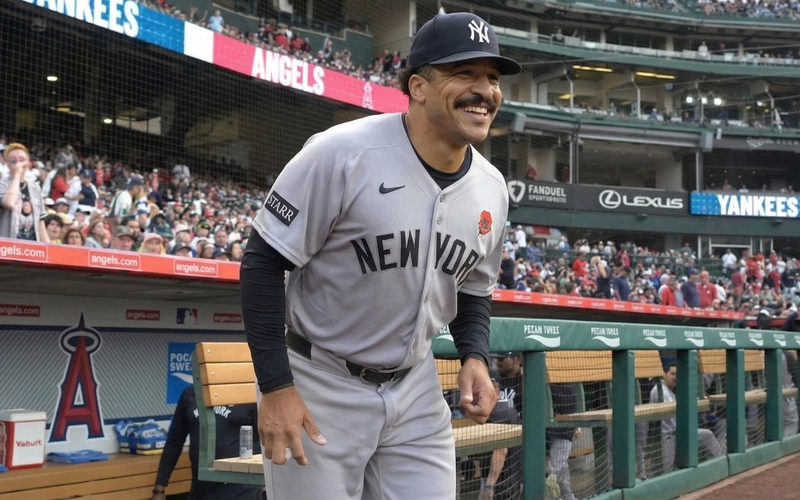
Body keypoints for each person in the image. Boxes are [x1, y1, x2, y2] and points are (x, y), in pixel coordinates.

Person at [240, 12, 521, 500]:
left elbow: (473, 288)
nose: (485, 90)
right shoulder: (341, 153)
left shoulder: (493, 188)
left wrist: (474, 355)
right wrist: (277, 388)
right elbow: (263, 264)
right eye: (465, 74)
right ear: (418, 86)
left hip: (416, 386)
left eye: (492, 78)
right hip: (320, 380)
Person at [151, 386, 262, 500]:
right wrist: (159, 488)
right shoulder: (191, 393)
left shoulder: (248, 393)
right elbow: (174, 442)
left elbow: (266, 439)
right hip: (201, 490)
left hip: (242, 491)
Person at [650, 363, 723, 474]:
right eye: (672, 374)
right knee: (667, 468)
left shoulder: (672, 390)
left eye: (677, 375)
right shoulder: (659, 390)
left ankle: (721, 463)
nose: (675, 377)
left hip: (683, 433)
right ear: (664, 374)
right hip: (669, 434)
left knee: (707, 435)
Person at [478, 370, 522, 500]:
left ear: (496, 389)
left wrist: (489, 486)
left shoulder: (502, 413)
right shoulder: (495, 411)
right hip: (505, 481)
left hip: (503, 485)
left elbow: (500, 451)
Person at [0, 143, 46, 241]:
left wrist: (49, 248)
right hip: (8, 244)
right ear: (7, 164)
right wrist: (17, 175)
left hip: (32, 246)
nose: (18, 164)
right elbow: (9, 203)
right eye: (13, 160)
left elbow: (40, 222)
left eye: (22, 160)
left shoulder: (35, 187)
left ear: (28, 164)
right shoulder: (2, 184)